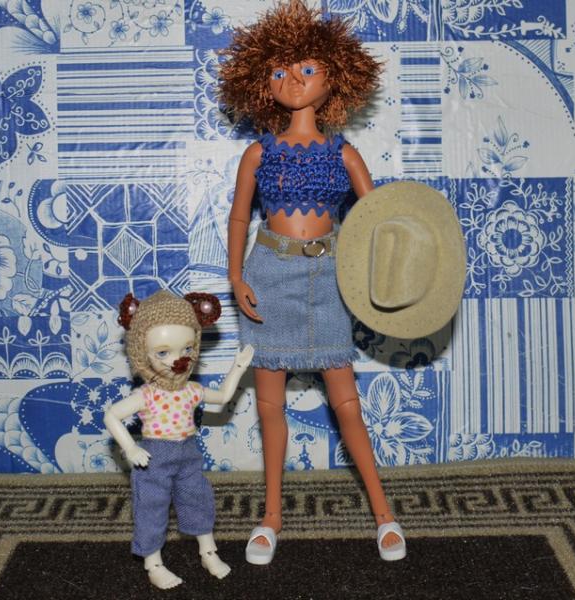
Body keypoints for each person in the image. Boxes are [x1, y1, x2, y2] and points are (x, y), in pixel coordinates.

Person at [218, 0, 406, 565]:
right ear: (261, 82)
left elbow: (375, 219)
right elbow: (239, 217)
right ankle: (271, 516)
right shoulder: (259, 152)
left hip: (328, 277)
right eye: (279, 71)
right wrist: (234, 275)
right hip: (270, 273)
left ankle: (384, 514)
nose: (293, 80)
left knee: (346, 401)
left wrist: (396, 267)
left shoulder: (343, 152)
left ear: (335, 76)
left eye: (305, 68)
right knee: (269, 405)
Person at [103, 290, 254, 589]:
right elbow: (111, 416)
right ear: (142, 353)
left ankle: (208, 552)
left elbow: (223, 397)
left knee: (198, 498)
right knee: (151, 507)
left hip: (188, 454)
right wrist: (130, 447)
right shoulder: (147, 395)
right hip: (153, 458)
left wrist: (237, 368)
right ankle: (153, 563)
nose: (178, 359)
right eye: (163, 353)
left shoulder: (191, 390)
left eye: (186, 348)